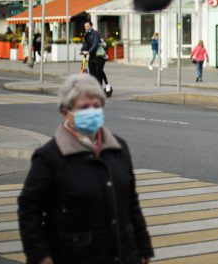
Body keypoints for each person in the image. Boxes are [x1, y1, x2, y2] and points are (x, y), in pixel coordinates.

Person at [18, 74, 154, 264]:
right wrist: (40, 256)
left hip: (123, 255)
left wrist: (143, 249)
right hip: (74, 256)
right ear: (65, 111)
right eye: (84, 107)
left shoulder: (118, 148)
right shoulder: (49, 156)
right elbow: (29, 209)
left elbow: (131, 201)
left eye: (96, 106)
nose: (92, 112)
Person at [81, 21, 109, 93]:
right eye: (85, 26)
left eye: (87, 26)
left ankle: (103, 86)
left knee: (98, 72)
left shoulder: (95, 33)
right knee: (92, 72)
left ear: (91, 26)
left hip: (99, 56)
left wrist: (89, 51)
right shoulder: (86, 34)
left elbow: (95, 44)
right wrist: (82, 50)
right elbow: (85, 44)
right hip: (92, 56)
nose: (86, 28)